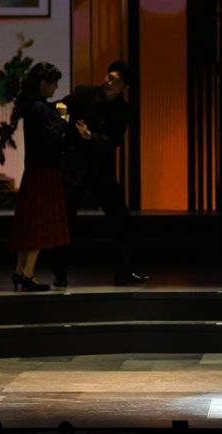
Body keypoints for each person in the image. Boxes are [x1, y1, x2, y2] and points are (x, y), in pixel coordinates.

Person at [51, 60, 149, 287]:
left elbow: (114, 140)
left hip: (101, 170)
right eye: (109, 77)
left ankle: (124, 273)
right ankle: (60, 274)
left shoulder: (123, 110)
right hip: (75, 169)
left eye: (116, 81)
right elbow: (61, 105)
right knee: (65, 222)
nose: (109, 82)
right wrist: (61, 114)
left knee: (121, 217)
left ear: (124, 87)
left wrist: (91, 136)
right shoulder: (84, 93)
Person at [9, 62, 70, 292]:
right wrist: (63, 119)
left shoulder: (31, 107)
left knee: (28, 223)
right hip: (45, 173)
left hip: (34, 172)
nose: (55, 88)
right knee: (38, 223)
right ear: (43, 83)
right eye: (53, 83)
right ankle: (28, 273)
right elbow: (52, 138)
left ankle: (20, 270)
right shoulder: (40, 109)